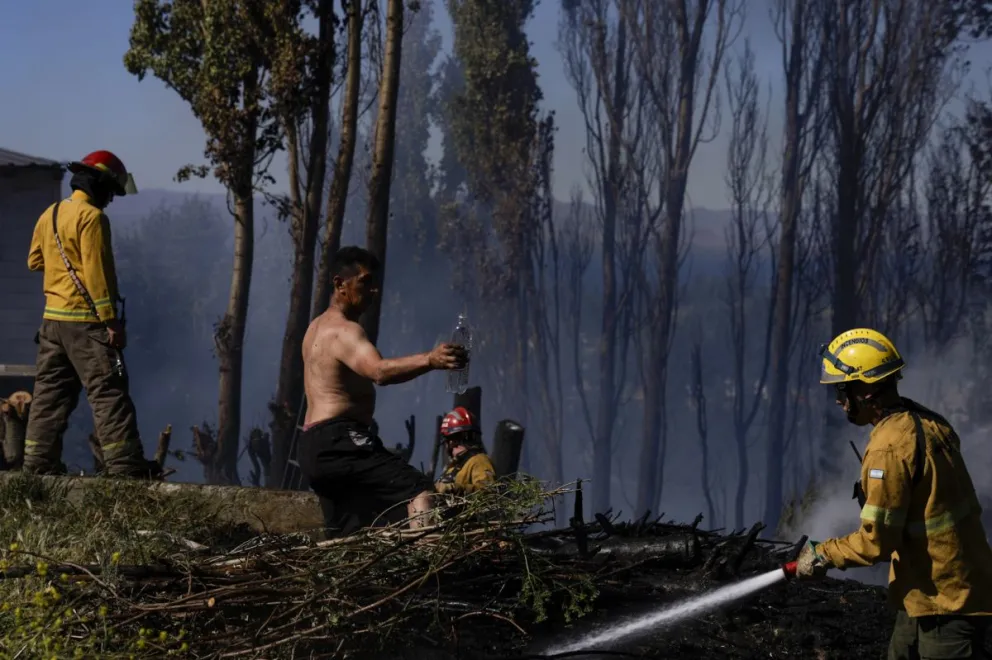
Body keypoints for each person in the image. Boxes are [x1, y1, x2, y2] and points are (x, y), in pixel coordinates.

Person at [795, 328, 992, 659]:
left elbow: (877, 542)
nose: (840, 401)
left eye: (843, 391)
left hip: (949, 601)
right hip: (923, 594)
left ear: (868, 391)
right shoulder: (928, 421)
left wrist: (823, 554)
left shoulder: (889, 448)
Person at [299, 246, 468, 536]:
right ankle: (428, 572)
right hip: (340, 440)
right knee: (419, 490)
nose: (373, 290)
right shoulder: (345, 331)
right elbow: (378, 371)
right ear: (340, 284)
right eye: (365, 282)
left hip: (314, 448)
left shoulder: (314, 328)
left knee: (350, 529)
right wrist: (431, 359)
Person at [23, 150, 157, 478]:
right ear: (97, 184)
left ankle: (37, 467)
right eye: (110, 191)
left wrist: (60, 266)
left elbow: (34, 261)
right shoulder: (93, 218)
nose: (110, 199)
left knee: (48, 395)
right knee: (107, 391)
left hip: (52, 323)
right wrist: (110, 320)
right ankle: (126, 469)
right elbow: (97, 274)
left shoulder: (51, 214)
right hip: (86, 323)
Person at [434, 406, 496, 495]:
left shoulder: (479, 460)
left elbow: (489, 491)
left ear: (451, 442)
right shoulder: (452, 469)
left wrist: (454, 489)